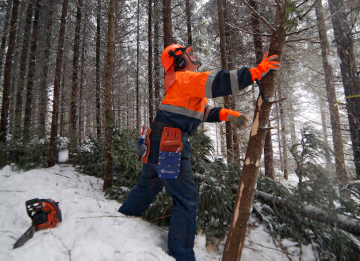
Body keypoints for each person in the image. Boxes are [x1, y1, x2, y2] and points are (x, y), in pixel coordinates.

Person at [118, 44, 280, 261]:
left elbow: (203, 111)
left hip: (158, 141)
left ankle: (120, 220)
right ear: (179, 61)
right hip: (169, 143)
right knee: (187, 200)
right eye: (188, 53)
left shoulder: (182, 84)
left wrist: (228, 114)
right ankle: (181, 256)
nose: (193, 55)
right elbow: (220, 81)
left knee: (148, 185)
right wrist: (254, 72)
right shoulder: (185, 78)